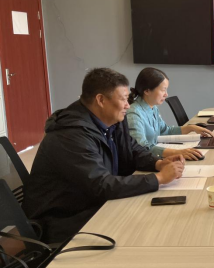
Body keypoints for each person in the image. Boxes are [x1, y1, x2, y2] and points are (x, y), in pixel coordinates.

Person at [23, 68, 184, 244]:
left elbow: (132, 149)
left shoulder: (111, 121)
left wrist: (158, 163)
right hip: (63, 219)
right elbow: (101, 185)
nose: (128, 105)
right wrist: (158, 178)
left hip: (92, 203)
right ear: (101, 100)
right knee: (145, 227)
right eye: (123, 99)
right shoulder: (71, 135)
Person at [127, 67, 212, 161]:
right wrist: (176, 152)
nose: (166, 94)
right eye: (163, 90)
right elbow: (141, 148)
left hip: (154, 159)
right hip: (144, 163)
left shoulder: (153, 107)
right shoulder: (134, 113)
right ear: (147, 91)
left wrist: (191, 128)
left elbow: (165, 131)